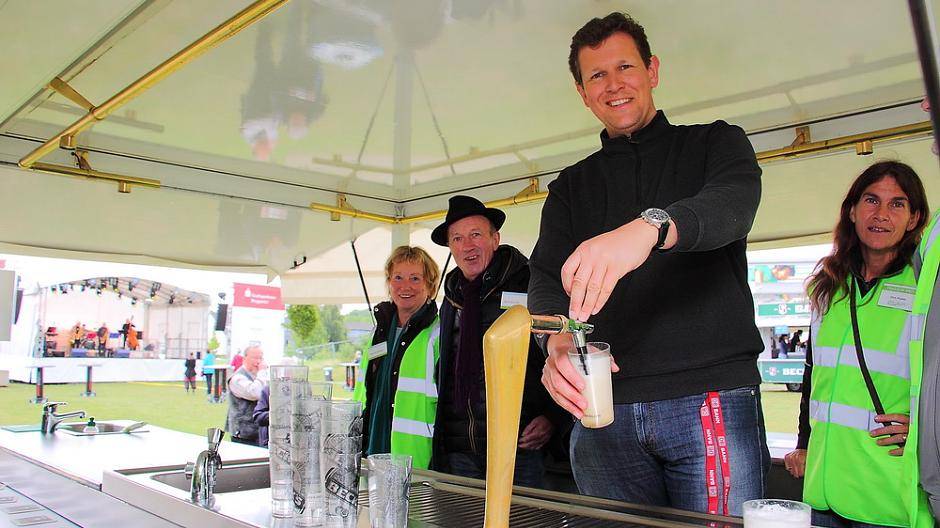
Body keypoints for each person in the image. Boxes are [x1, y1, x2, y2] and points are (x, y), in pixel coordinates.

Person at [528, 13, 768, 514]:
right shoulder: (570, 187)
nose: (614, 85)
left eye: (625, 67)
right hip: (602, 408)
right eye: (597, 75)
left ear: (652, 70)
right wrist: (555, 342)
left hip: (709, 395)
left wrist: (649, 228)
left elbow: (733, 206)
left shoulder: (715, 143)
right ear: (582, 92)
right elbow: (546, 278)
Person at [783, 161, 932, 527]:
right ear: (852, 210)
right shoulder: (829, 285)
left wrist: (926, 432)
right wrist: (803, 443)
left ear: (914, 219)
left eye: (897, 204)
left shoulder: (926, 287)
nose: (881, 214)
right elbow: (813, 374)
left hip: (886, 490)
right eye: (871, 200)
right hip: (823, 487)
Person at [431, 195, 563, 489]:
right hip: (461, 451)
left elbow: (560, 349)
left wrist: (553, 416)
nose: (467, 245)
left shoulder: (529, 283)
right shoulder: (451, 298)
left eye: (476, 234)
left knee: (522, 515)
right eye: (457, 238)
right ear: (451, 247)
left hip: (519, 446)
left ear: (495, 239)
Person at [353, 246, 441, 469]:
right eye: (398, 277)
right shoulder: (379, 331)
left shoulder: (438, 333)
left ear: (430, 285)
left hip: (418, 459)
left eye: (415, 278)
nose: (405, 286)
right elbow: (364, 391)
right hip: (374, 451)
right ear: (389, 283)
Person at [227, 345, 267, 445]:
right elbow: (256, 393)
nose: (258, 362)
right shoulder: (237, 378)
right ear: (244, 359)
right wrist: (262, 372)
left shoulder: (257, 377)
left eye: (261, 358)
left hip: (257, 433)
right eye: (255, 358)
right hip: (243, 435)